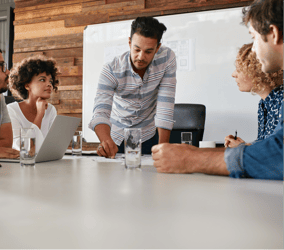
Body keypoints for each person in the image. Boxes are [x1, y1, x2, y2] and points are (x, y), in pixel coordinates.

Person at [152, 0, 283, 180]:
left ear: (274, 34)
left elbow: (278, 156)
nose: (253, 49)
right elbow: (275, 147)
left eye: (254, 38)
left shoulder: (280, 97)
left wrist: (190, 158)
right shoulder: (266, 104)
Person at [89, 16, 177, 158]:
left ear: (157, 48)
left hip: (148, 134)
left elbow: (165, 105)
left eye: (148, 51)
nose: (141, 57)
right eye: (137, 49)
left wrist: (163, 148)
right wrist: (105, 140)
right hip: (118, 137)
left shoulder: (167, 58)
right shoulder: (111, 69)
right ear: (129, 42)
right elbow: (100, 111)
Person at [225, 43, 283, 148]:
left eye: (239, 70)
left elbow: (276, 153)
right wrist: (243, 145)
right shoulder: (264, 103)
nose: (233, 74)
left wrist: (244, 148)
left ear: (256, 72)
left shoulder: (280, 101)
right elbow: (265, 143)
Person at [8, 55, 59, 153]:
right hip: (20, 165)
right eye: (42, 80)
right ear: (27, 85)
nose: (49, 84)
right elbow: (25, 148)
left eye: (51, 81)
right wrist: (40, 115)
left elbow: (52, 146)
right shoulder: (11, 110)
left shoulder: (51, 110)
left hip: (43, 163)